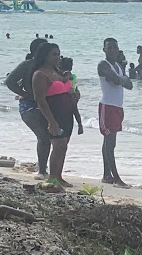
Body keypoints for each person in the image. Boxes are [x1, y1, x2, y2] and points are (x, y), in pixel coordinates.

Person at [29, 42, 74, 187]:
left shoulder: (58, 72)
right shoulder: (40, 74)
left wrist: (74, 96)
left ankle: (58, 176)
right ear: (45, 56)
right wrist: (51, 122)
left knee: (63, 146)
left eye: (58, 54)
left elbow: (66, 90)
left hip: (66, 114)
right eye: (53, 54)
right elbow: (40, 100)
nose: (57, 57)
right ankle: (53, 178)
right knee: (58, 144)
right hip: (52, 114)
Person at [6, 37, 52, 176]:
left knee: (49, 138)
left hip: (47, 104)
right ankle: (42, 171)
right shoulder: (28, 64)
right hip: (29, 106)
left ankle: (46, 168)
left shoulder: (50, 65)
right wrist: (24, 94)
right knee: (43, 137)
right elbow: (9, 81)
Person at [97, 38, 133, 187]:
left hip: (118, 107)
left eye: (115, 47)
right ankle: (116, 178)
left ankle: (107, 175)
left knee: (110, 142)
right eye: (109, 47)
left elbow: (130, 85)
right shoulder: (103, 65)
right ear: (104, 49)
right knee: (109, 142)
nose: (112, 50)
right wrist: (123, 79)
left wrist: (122, 78)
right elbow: (117, 81)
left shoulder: (118, 65)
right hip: (108, 106)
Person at [60, 56, 86, 137]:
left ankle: (80, 125)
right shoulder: (67, 75)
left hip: (69, 97)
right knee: (74, 109)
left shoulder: (63, 75)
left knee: (74, 109)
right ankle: (80, 125)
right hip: (68, 97)